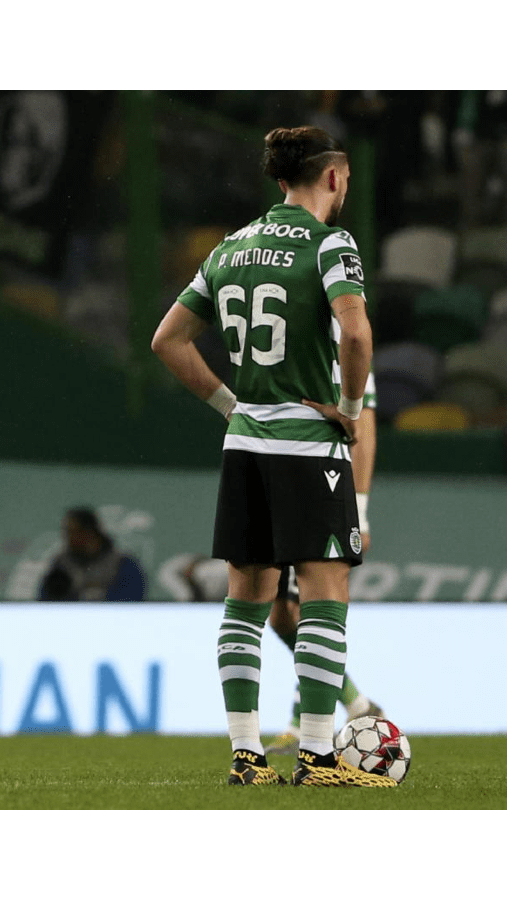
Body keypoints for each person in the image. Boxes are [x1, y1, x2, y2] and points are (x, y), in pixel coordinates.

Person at [151, 125, 396, 787]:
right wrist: (348, 409)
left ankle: (246, 755)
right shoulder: (331, 243)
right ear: (335, 178)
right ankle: (318, 756)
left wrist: (232, 407)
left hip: (244, 445)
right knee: (325, 589)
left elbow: (167, 341)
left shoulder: (229, 248)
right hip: (305, 443)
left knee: (247, 597)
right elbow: (356, 332)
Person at [265, 371, 384, 754]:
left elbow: (364, 429)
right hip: (283, 486)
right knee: (280, 617)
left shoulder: (346, 343)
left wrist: (360, 511)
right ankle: (358, 704)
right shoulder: (289, 340)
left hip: (326, 490)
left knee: (307, 610)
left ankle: (303, 726)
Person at [38, 507, 146, 602]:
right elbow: (47, 602)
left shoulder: (122, 564)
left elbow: (132, 600)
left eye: (73, 532)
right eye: (67, 532)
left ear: (89, 532)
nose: (68, 537)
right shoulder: (61, 565)